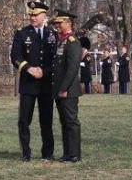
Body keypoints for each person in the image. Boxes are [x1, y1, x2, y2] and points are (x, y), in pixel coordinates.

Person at [9, 0, 57, 162]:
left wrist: (44, 71)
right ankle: (25, 152)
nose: (33, 18)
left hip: (45, 84)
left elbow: (56, 60)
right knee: (24, 120)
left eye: (36, 15)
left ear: (44, 15)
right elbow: (15, 56)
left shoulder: (52, 34)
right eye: (31, 15)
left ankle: (48, 153)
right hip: (28, 84)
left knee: (46, 120)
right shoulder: (22, 33)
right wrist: (29, 68)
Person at [51, 9, 82, 162]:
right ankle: (67, 153)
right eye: (56, 23)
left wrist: (64, 88)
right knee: (64, 122)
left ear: (68, 23)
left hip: (68, 90)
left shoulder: (73, 42)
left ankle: (75, 154)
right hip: (60, 89)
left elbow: (72, 68)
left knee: (71, 122)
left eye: (60, 23)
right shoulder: (61, 41)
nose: (57, 25)